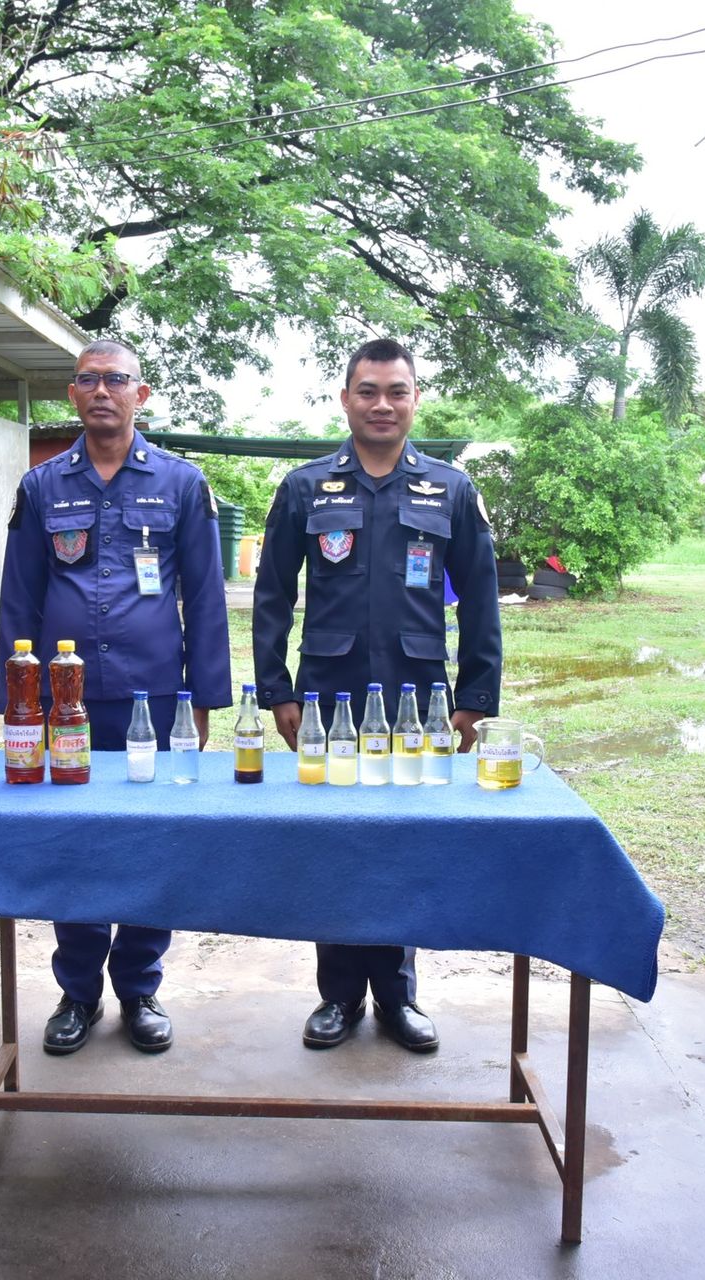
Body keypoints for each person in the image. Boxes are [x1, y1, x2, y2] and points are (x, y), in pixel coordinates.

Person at [251, 338, 501, 1054]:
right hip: (326, 699)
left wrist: (474, 698)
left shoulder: (450, 489)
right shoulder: (306, 487)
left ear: (416, 398)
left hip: (420, 700)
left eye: (397, 391)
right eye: (368, 391)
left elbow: (480, 600)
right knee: (333, 838)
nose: (382, 404)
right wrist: (277, 691)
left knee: (402, 839)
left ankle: (397, 995)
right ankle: (337, 995)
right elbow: (273, 595)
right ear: (346, 399)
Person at [0, 339, 232, 1056]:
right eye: (89, 379)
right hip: (63, 700)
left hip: (151, 695)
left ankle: (139, 987)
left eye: (117, 379)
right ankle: (77, 992)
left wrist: (201, 697)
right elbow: (19, 598)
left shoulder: (181, 482)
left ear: (141, 393)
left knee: (149, 837)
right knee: (73, 836)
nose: (103, 390)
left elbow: (205, 597)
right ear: (72, 393)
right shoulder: (42, 486)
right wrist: (18, 703)